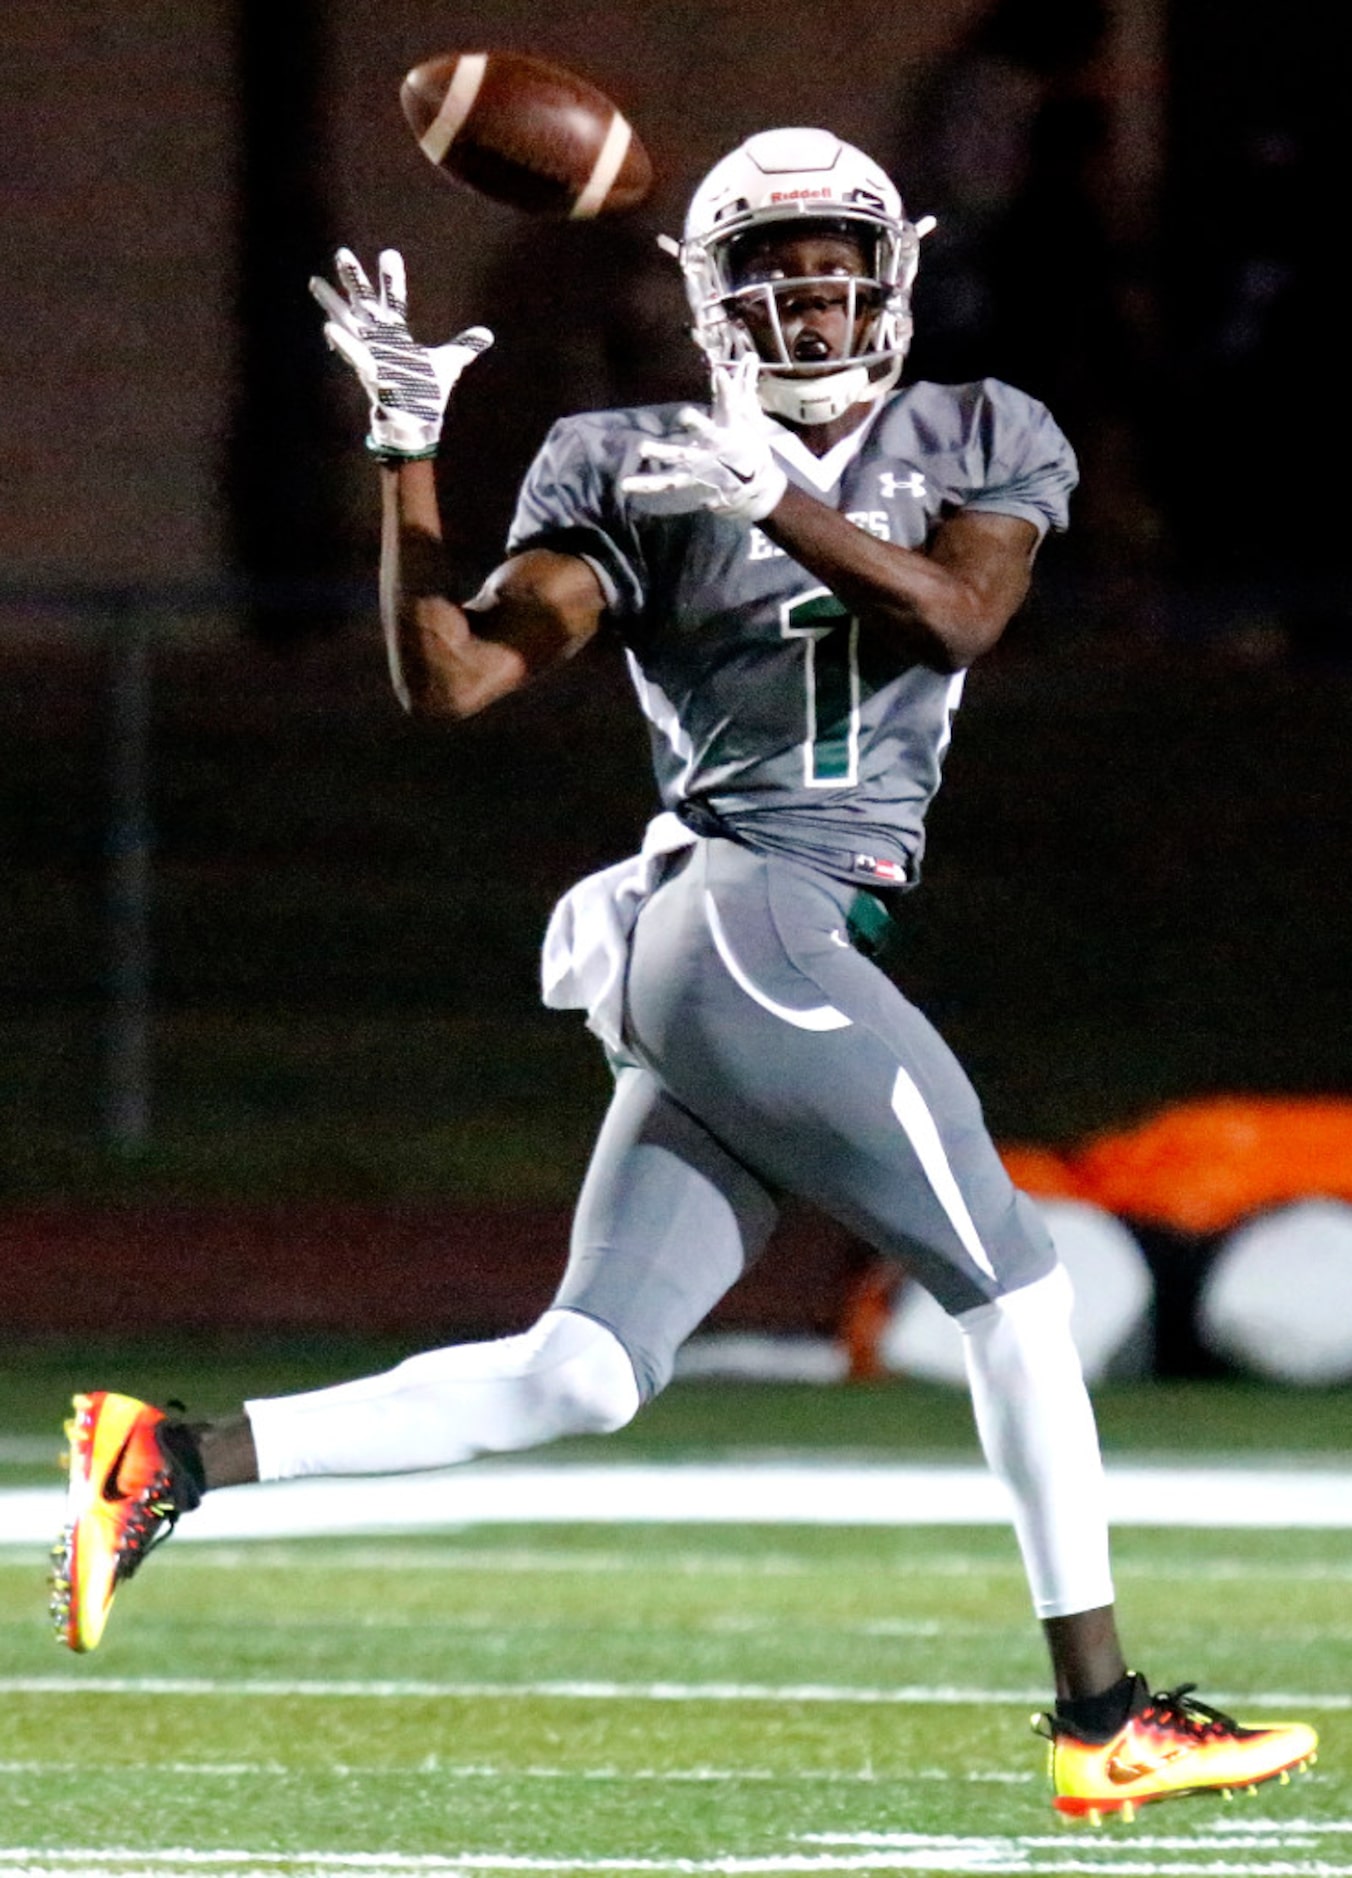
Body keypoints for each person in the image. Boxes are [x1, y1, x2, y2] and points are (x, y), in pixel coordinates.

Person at [51, 127, 1315, 1821]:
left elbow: (957, 617)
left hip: (740, 937)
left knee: (584, 1372)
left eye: (833, 262)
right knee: (1017, 1293)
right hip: (746, 920)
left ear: (895, 269)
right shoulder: (630, 455)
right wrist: (408, 457)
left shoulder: (984, 430)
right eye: (772, 271)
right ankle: (1102, 1714)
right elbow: (456, 681)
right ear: (709, 299)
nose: (809, 299)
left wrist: (778, 500)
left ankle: (171, 1456)